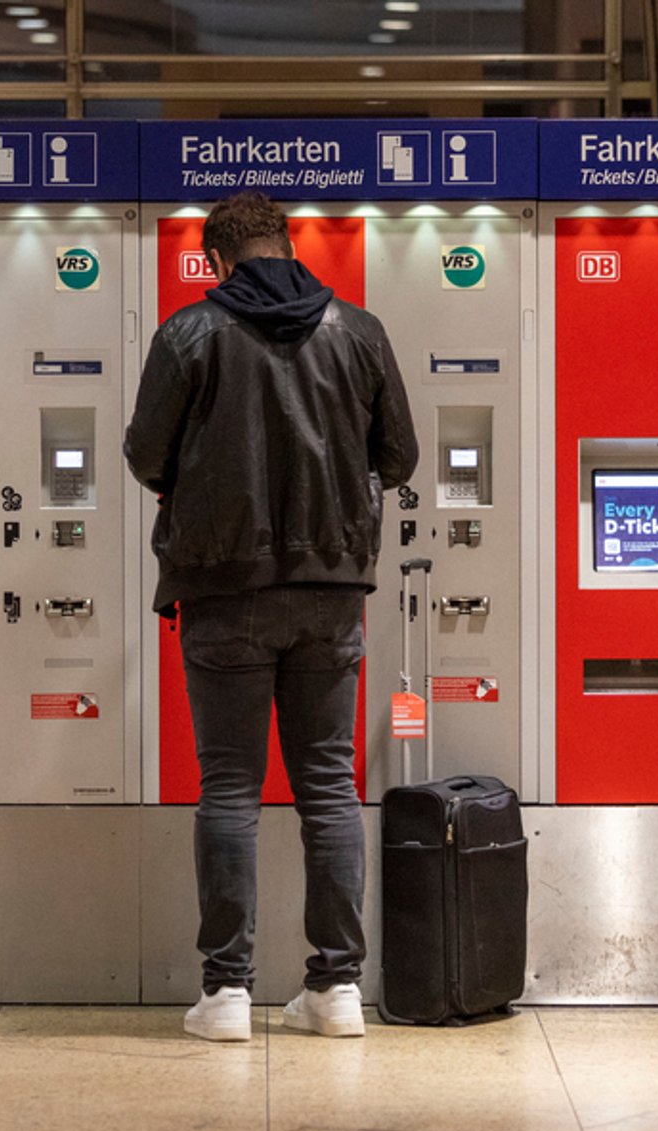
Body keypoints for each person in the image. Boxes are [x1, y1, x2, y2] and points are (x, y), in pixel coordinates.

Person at [125, 191, 418, 1042]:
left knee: (229, 787)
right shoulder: (358, 331)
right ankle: (336, 990)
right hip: (331, 592)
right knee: (328, 784)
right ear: (288, 246)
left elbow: (146, 455)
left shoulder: (189, 334)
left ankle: (225, 994)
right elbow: (397, 456)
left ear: (215, 260)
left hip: (222, 590)